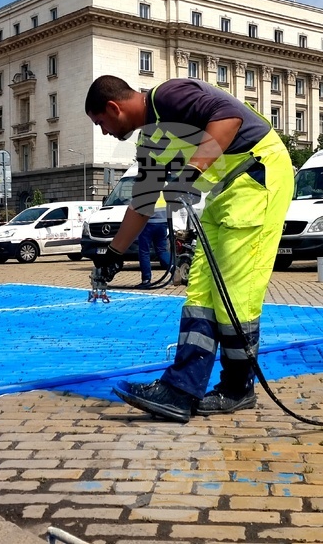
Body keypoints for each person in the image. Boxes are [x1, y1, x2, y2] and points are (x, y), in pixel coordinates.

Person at [85, 75, 294, 421]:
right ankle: (181, 388)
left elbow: (229, 120)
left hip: (258, 179)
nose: (104, 131)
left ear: (113, 107)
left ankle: (237, 388)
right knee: (200, 295)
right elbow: (142, 202)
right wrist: (114, 255)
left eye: (101, 123)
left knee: (234, 294)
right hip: (227, 193)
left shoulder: (170, 96)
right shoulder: (152, 141)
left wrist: (189, 174)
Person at [136, 200, 172, 288]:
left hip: (148, 223)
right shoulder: (163, 188)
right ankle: (173, 268)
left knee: (144, 251)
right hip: (162, 222)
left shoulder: (147, 187)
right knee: (162, 250)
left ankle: (146, 280)